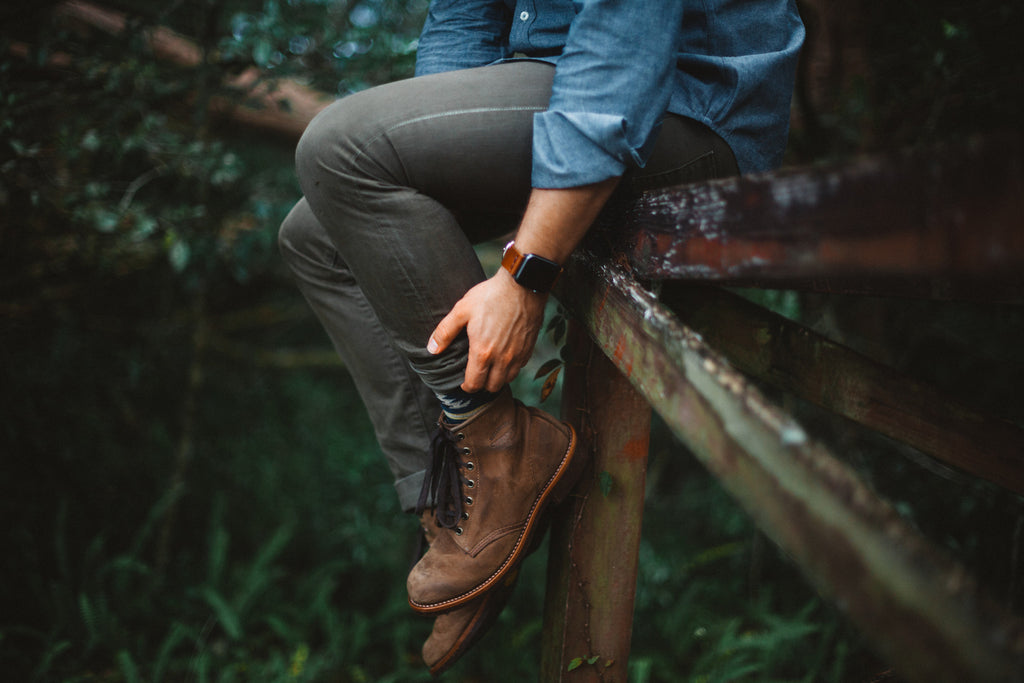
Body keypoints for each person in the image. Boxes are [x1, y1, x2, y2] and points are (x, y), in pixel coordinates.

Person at [279, 0, 804, 674]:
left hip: (688, 109)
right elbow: (464, 20)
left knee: (338, 145)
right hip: (553, 89)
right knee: (315, 236)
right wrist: (442, 175)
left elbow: (621, 41)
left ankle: (503, 456)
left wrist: (526, 269)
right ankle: (456, 500)